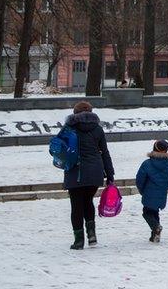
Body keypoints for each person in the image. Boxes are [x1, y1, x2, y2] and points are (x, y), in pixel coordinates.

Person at [63, 101, 114, 250]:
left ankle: (79, 240)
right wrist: (110, 173)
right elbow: (105, 152)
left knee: (76, 205)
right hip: (94, 173)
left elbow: (58, 147)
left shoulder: (69, 128)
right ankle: (92, 235)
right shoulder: (97, 129)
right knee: (88, 201)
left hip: (75, 172)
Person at [135, 139, 168, 243]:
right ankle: (155, 234)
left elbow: (139, 179)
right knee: (155, 212)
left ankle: (156, 227)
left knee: (147, 213)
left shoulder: (146, 164)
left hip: (148, 191)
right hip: (162, 192)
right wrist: (165, 187)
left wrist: (142, 189)